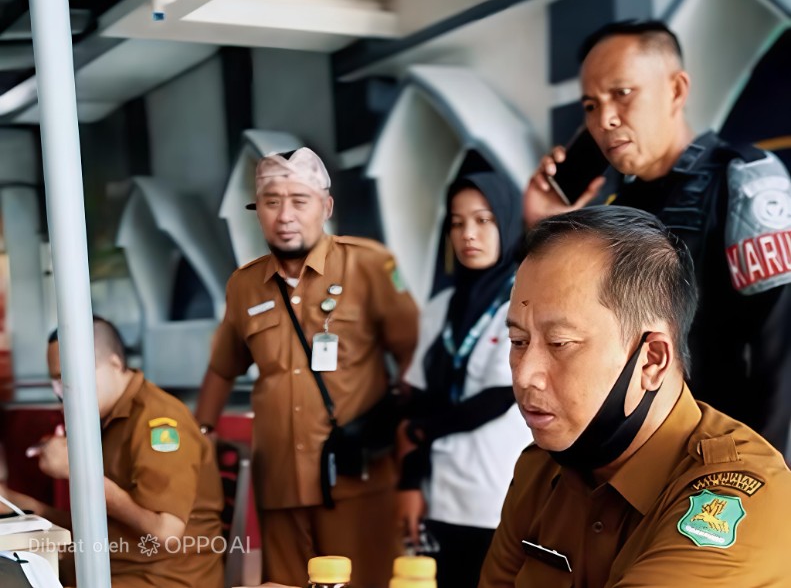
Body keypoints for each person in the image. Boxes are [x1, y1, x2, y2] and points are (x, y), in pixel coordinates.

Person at [480, 206, 791, 588]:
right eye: (518, 341)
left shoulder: (736, 501)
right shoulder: (540, 469)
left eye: (560, 343)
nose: (524, 375)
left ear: (652, 360)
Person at [524, 20, 791, 453]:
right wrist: (546, 226)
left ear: (676, 90)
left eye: (622, 93)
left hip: (718, 459)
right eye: (591, 105)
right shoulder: (612, 211)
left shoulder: (744, 181)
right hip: (625, 457)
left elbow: (779, 353)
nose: (605, 119)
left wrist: (761, 476)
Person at [194, 148, 419, 586]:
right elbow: (223, 368)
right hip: (279, 482)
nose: (285, 216)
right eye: (272, 202)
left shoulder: (369, 265)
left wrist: (409, 447)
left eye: (300, 201)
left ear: (326, 207)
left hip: (356, 478)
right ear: (257, 211)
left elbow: (413, 354)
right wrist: (201, 435)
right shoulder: (244, 285)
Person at [0, 316, 224, 588]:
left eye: (70, 376)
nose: (62, 390)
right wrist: (19, 503)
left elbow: (166, 532)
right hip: (106, 564)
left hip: (161, 577)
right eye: (56, 379)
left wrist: (79, 472)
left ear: (115, 364)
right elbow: (105, 520)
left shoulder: (158, 421)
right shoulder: (106, 418)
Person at [395, 170, 531, 588]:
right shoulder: (440, 307)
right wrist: (410, 482)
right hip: (441, 494)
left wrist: (418, 430)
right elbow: (420, 398)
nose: (468, 234)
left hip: (499, 494)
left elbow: (498, 397)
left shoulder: (525, 301)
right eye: (457, 223)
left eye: (483, 220)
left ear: (507, 222)